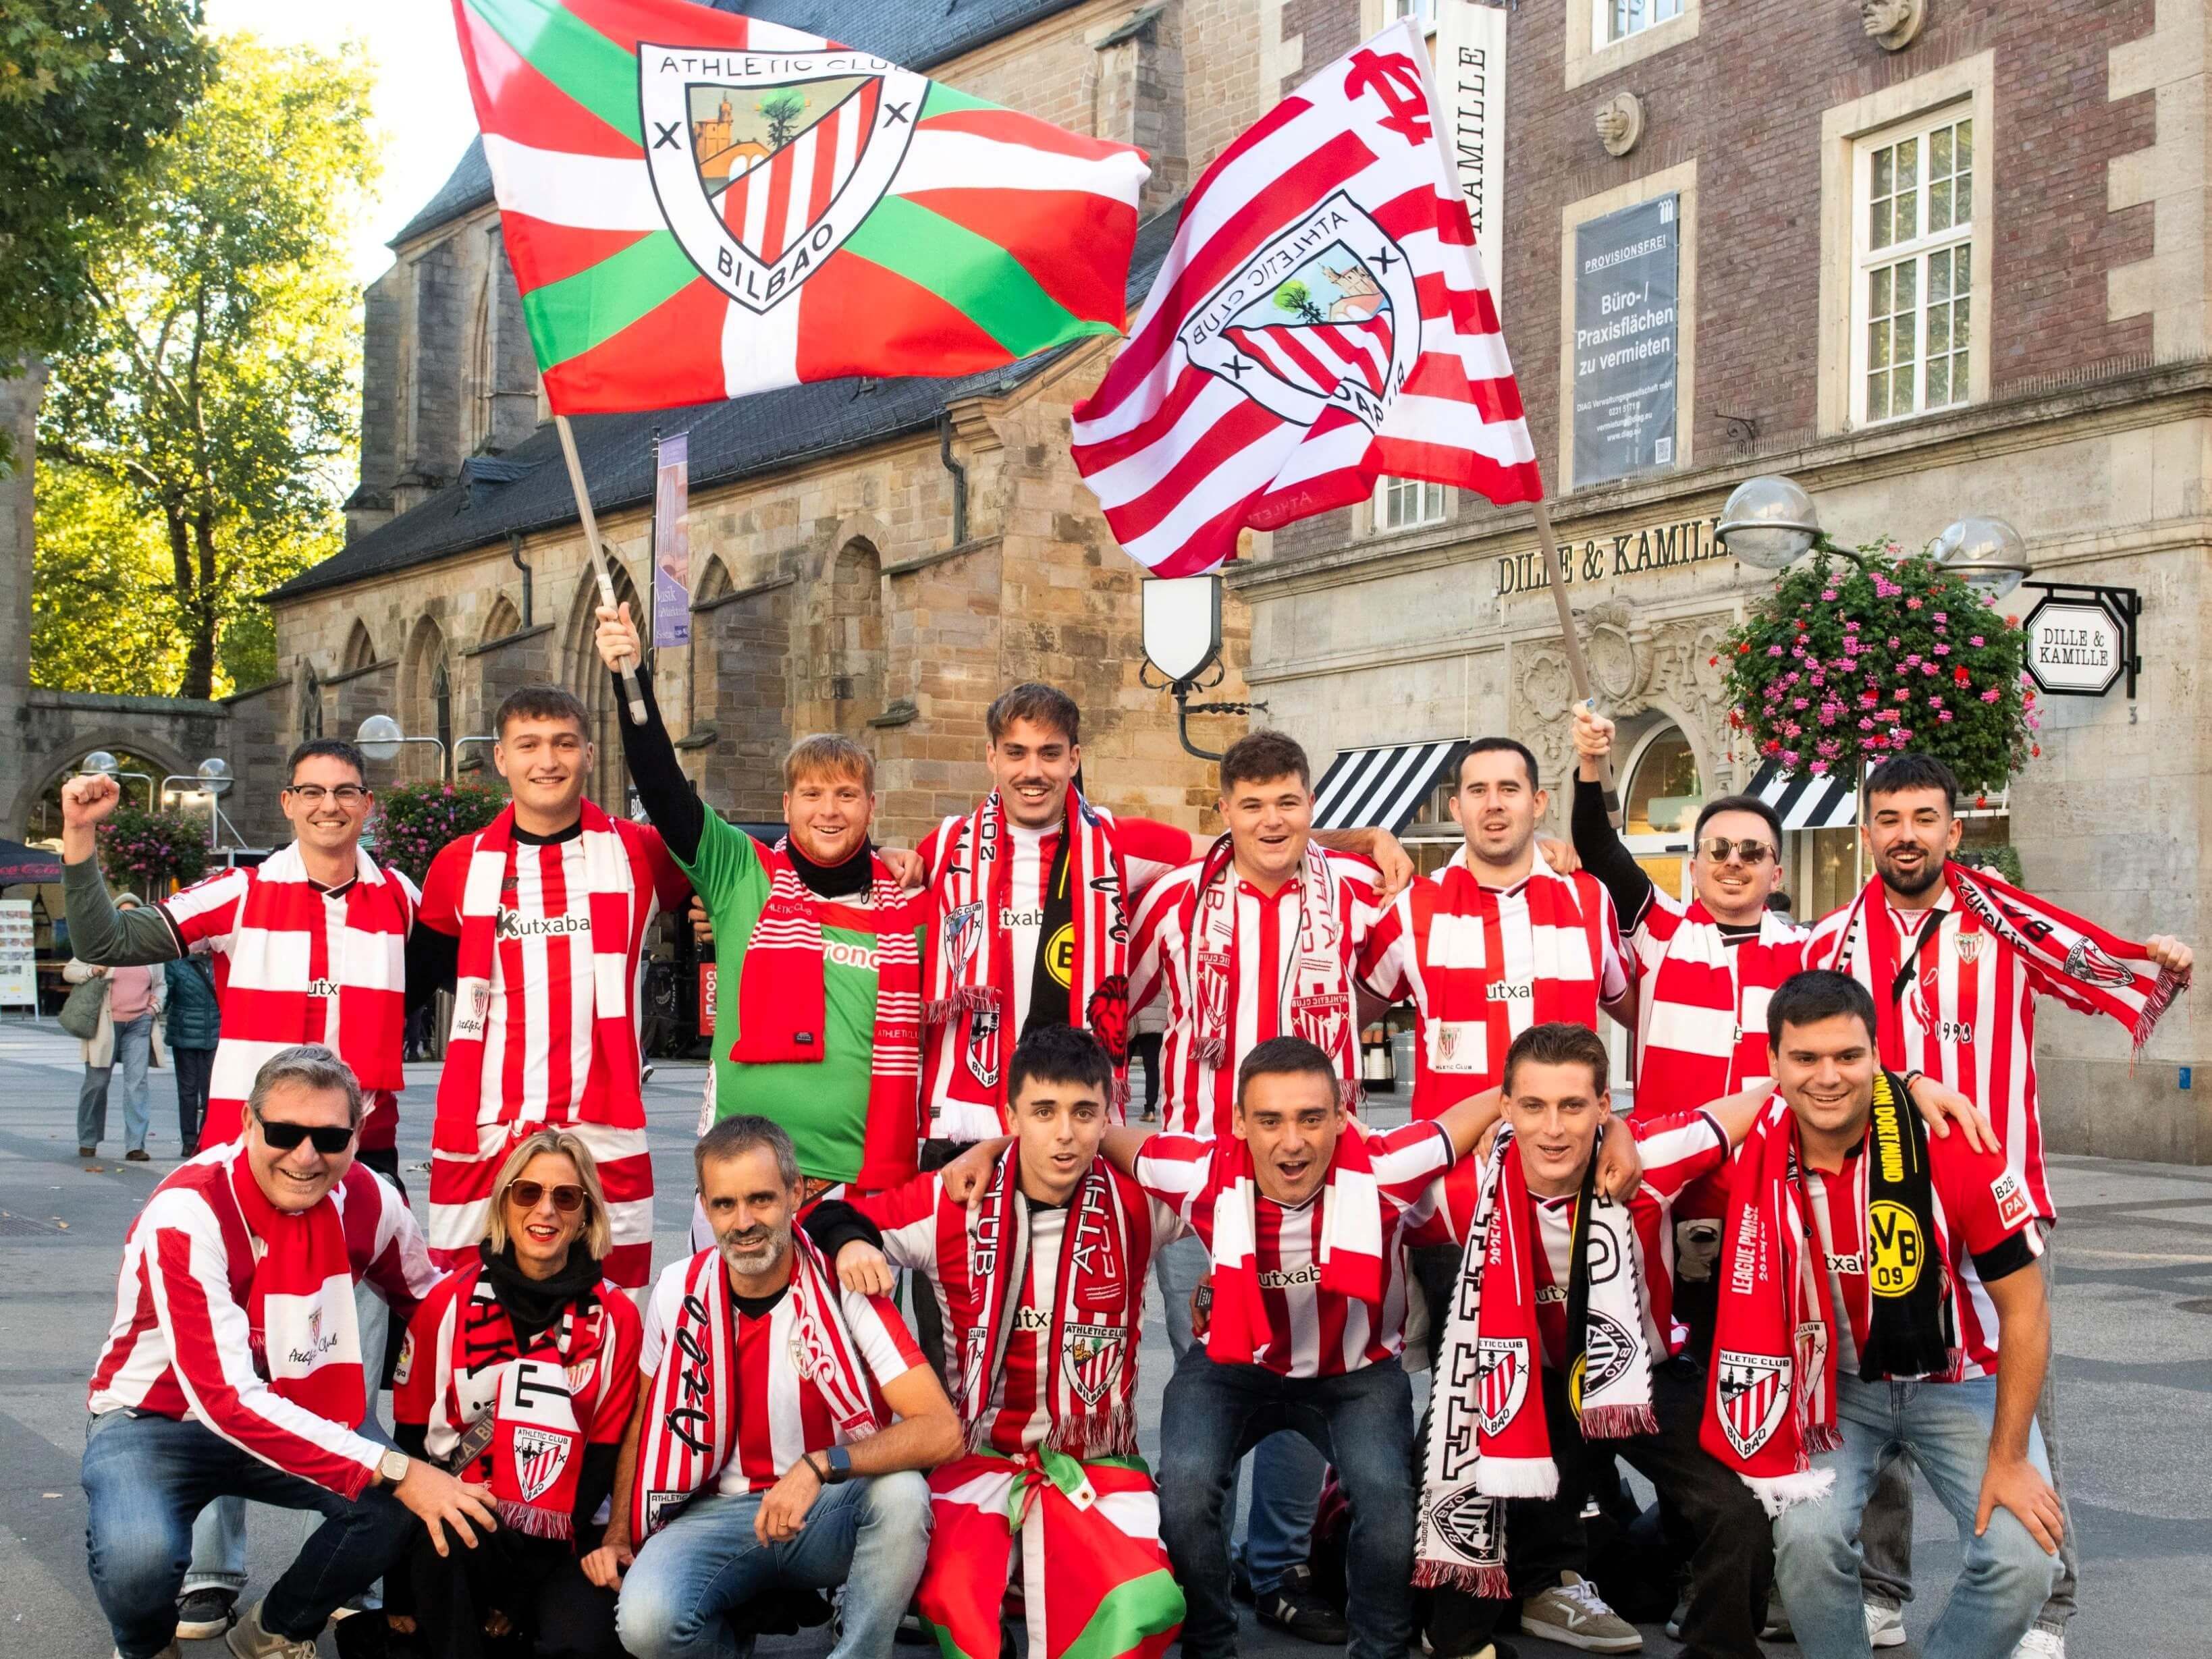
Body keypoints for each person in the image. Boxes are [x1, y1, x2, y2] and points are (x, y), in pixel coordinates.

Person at [1412, 1021, 1978, 1659]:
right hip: (1519, 1383)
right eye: (1534, 1106)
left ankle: (1718, 1646)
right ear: (1505, 1108)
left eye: (1573, 1106)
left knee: (1744, 1503)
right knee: (1436, 1472)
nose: (1553, 1129)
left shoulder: (1647, 1156)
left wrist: (1900, 1082)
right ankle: (1462, 1628)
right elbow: (1359, 1176)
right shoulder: (1458, 1192)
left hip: (1639, 1376)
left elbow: (1780, 1090)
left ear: (1605, 1107)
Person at [1806, 753, 2193, 1658]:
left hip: (1998, 1201)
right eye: (1889, 817)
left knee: (2025, 1398)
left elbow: (2086, 957)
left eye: (1924, 816)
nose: (1906, 833)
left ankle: (2049, 1605)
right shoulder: (1828, 944)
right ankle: (1879, 1588)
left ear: (1954, 827)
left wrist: (2152, 955)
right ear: (1867, 831)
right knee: (1877, 1380)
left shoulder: (2002, 921)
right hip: (1873, 1201)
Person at [62, 740, 433, 1630]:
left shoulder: (404, 901)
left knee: (348, 1365)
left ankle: (352, 1559)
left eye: (347, 792)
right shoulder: (241, 892)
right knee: (227, 1367)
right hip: (250, 1167)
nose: (331, 806)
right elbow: (108, 940)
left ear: (369, 804)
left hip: (359, 1165)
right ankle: (213, 1572)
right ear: (288, 801)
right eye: (314, 791)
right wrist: (80, 837)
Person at [1089, 1036, 1540, 1659]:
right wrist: (993, 1145)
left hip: (1353, 1375)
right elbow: (1098, 1132)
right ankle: (1209, 1643)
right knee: (1185, 1489)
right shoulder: (1198, 1170)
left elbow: (1478, 1110)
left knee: (1387, 1508)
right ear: (1240, 1123)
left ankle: (1378, 1650)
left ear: (1341, 1116)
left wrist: (1519, 1112)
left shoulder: (1386, 1166)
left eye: (1310, 1118)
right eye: (1269, 1120)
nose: (1292, 1141)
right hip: (1232, 1365)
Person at [1123, 729, 1420, 1639]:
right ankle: (1205, 1573)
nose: (1270, 819)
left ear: (1309, 804)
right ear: (1223, 811)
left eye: (1287, 800)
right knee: (1221, 1371)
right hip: (1199, 1189)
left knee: (1314, 1362)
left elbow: (1409, 981)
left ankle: (1279, 1562)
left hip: (1324, 1181)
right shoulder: (1174, 901)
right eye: (1251, 804)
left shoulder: (1361, 897)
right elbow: (1115, 1003)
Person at [80, 1045, 492, 1659]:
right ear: (248, 1123)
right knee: (139, 1558)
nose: (306, 1156)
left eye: (329, 1137)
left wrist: (532, 1319)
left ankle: (275, 1631)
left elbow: (432, 1301)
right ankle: (144, 1645)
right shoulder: (188, 1213)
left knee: (391, 1512)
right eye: (284, 1132)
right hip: (157, 1422)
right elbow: (226, 1402)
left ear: (356, 1136)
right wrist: (401, 1468)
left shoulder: (370, 1199)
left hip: (301, 1405)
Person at [1705, 971, 2063, 1659]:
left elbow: (2026, 1308)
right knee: (1806, 1544)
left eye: (1848, 1056)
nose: (1827, 1077)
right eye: (1805, 1058)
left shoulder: (1953, 1143)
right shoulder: (1749, 1148)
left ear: (1878, 1056)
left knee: (2025, 1562)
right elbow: (1637, 1151)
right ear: (1773, 1064)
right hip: (1833, 1391)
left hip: (1960, 1383)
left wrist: (2010, 1456)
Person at [817, 1025, 1188, 1659]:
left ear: (1108, 1114)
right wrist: (852, 1243)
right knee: (957, 1611)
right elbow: (827, 1214)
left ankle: (1046, 1576)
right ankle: (1005, 1581)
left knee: (1141, 1609)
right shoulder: (957, 1196)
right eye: (1043, 1113)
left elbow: (1223, 1167)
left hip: (1094, 1460)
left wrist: (1002, 1141)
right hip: (979, 1456)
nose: (1064, 1134)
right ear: (1011, 1114)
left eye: (1083, 1113)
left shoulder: (1138, 1199)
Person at [915, 682, 1414, 1149]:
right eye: (1016, 753)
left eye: (1049, 753)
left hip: (1074, 1117)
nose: (1032, 771)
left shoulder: (1121, 843)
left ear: (1073, 759)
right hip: (965, 1113)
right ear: (990, 757)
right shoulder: (941, 850)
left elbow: (1246, 838)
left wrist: (1368, 838)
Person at [589, 1114, 964, 1659]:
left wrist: (818, 1466)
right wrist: (618, 1534)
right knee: (646, 1625)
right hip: (714, 1512)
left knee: (904, 1496)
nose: (743, 1222)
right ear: (704, 1206)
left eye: (760, 1200)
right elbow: (645, 1421)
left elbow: (941, 1430)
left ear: (795, 1194)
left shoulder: (845, 1284)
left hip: (826, 1509)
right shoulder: (678, 1288)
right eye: (724, 1204)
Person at [597, 601, 929, 1203]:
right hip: (740, 1179)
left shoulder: (909, 906)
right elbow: (664, 790)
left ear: (871, 808)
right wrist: (630, 680)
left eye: (846, 794)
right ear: (785, 806)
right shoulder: (739, 873)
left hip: (862, 1187)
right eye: (812, 794)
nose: (828, 810)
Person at [412, 683, 690, 1293]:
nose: (548, 761)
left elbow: (748, 870)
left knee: (610, 1307)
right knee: (464, 1304)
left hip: (606, 1121)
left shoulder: (639, 852)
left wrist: (878, 856)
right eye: (530, 745)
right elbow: (406, 985)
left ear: (589, 754)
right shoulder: (459, 864)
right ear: (500, 757)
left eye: (565, 744)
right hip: (485, 1123)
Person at [389, 1128, 643, 1659]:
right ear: (505, 1204)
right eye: (527, 1192)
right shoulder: (446, 1303)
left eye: (565, 1197)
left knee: (580, 1642)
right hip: (461, 1524)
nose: (545, 1210)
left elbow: (601, 1459)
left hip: (564, 1533)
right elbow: (410, 1444)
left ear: (585, 1215)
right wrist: (399, 1584)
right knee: (444, 1549)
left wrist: (520, 1592)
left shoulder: (618, 1317)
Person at [66, 893, 166, 1160]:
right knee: (96, 1083)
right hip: (105, 1024)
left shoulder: (150, 949)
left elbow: (161, 985)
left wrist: (154, 1007)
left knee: (137, 1085)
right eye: (122, 914)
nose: (127, 919)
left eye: (132, 914)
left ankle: (135, 1145)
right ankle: (88, 1139)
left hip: (140, 1023)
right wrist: (92, 971)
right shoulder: (100, 944)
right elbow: (71, 971)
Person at [165, 950, 221, 1157]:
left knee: (210, 1091)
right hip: (184, 1034)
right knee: (188, 1091)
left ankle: (204, 1138)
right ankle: (189, 1140)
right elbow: (166, 995)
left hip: (215, 1033)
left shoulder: (220, 961)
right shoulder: (176, 963)